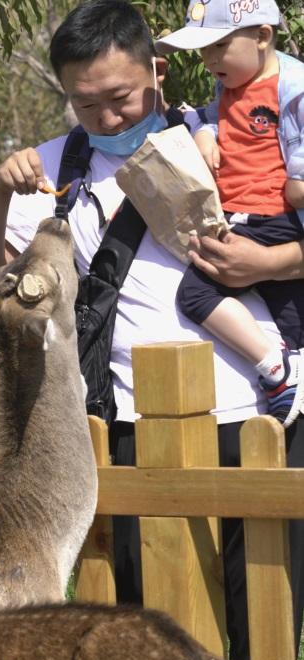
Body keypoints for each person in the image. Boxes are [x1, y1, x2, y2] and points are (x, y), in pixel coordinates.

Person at [0, 0, 304, 660]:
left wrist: (270, 260)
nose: (108, 117)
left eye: (121, 97)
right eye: (87, 102)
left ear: (155, 70)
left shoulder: (220, 137)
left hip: (262, 417)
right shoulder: (52, 171)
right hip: (133, 428)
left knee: (265, 624)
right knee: (153, 634)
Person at [156, 0, 304, 427]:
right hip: (244, 218)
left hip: (274, 218)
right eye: (204, 49)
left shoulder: (293, 88)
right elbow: (212, 117)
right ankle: (289, 367)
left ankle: (276, 370)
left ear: (262, 36)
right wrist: (205, 132)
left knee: (196, 294)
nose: (209, 59)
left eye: (219, 45)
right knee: (291, 318)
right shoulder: (235, 85)